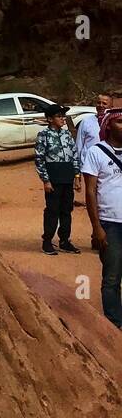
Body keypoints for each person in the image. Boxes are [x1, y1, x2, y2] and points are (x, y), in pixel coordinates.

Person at [81, 102, 122, 330]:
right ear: (109, 125)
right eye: (119, 121)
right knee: (112, 277)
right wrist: (96, 227)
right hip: (110, 223)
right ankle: (115, 325)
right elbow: (90, 192)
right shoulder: (96, 152)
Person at [35, 104, 81, 254]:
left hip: (67, 177)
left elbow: (74, 155)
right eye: (59, 116)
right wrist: (46, 180)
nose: (62, 119)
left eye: (63, 116)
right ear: (49, 119)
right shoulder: (44, 135)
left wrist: (76, 176)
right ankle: (47, 241)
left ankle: (64, 240)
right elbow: (40, 159)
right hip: (53, 178)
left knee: (66, 210)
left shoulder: (67, 135)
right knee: (52, 210)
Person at [75, 94, 110, 171]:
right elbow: (79, 145)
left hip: (109, 164)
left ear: (111, 106)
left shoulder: (114, 123)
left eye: (104, 103)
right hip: (89, 165)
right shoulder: (86, 121)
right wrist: (78, 168)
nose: (101, 105)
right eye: (98, 103)